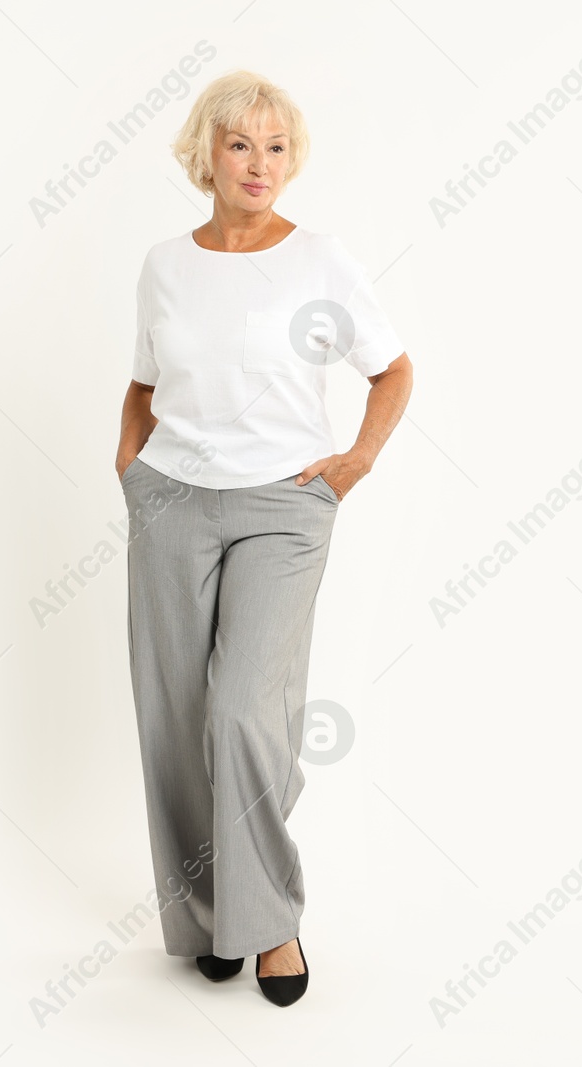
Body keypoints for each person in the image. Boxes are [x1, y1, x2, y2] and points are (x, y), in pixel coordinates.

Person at [115, 69, 414, 1007]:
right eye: (241, 144)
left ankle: (271, 920)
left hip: (283, 506)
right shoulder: (166, 263)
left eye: (277, 147)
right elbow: (142, 381)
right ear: (204, 152)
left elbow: (394, 369)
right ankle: (210, 919)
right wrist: (131, 467)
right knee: (173, 719)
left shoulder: (320, 260)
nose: (260, 164)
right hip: (172, 500)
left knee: (248, 708)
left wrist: (353, 462)